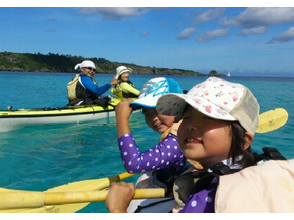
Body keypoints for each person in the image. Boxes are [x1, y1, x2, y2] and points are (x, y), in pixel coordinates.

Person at [106, 77, 260, 213]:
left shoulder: (213, 196)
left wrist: (118, 210)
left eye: (207, 118)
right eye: (187, 117)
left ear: (245, 141)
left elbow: (134, 163)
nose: (190, 126)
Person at [115, 77, 193, 191]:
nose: (154, 118)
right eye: (147, 114)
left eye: (159, 110)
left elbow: (133, 164)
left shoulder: (177, 141)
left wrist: (121, 119)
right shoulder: (182, 129)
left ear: (179, 106)